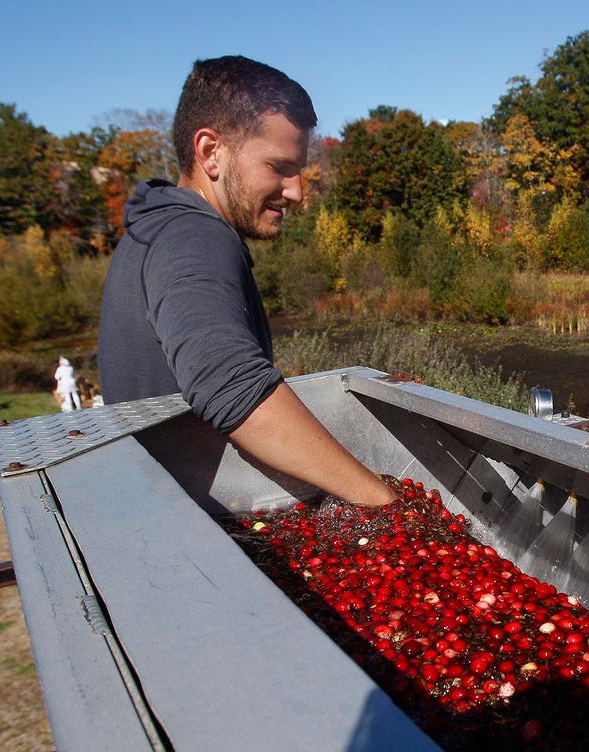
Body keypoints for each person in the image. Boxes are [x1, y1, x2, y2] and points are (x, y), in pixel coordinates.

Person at [98, 56, 396, 506]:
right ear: (210, 151)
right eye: (279, 167)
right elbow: (227, 381)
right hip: (191, 531)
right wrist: (383, 502)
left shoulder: (154, 228)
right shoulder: (193, 236)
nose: (296, 191)